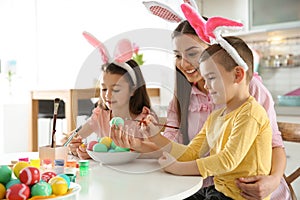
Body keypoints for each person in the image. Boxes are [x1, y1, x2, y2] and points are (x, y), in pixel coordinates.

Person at [124, 2, 291, 199]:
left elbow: (265, 146)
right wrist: (148, 138)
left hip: (250, 191)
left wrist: (273, 180)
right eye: (178, 55)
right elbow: (187, 151)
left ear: (213, 49)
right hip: (208, 187)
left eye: (193, 53)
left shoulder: (250, 95)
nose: (184, 63)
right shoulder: (207, 110)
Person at [64, 33, 155, 160]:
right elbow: (73, 138)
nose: (108, 95)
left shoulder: (145, 119)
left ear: (133, 90)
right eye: (104, 89)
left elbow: (157, 151)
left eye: (116, 89)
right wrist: (76, 148)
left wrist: (135, 148)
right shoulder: (100, 116)